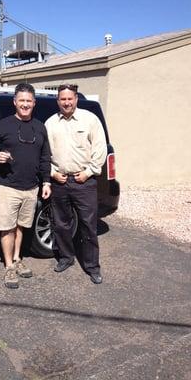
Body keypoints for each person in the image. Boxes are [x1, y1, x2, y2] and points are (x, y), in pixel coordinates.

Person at [0, 83, 51, 289]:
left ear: (34, 103)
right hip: (7, 186)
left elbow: (44, 157)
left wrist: (47, 181)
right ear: (15, 102)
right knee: (7, 228)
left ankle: (16, 259)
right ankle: (8, 267)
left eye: (28, 101)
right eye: (21, 100)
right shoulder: (2, 126)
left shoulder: (40, 127)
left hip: (31, 187)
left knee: (21, 226)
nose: (25, 104)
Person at [45, 84, 107, 284]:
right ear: (58, 101)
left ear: (76, 99)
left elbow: (100, 150)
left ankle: (92, 267)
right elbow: (44, 154)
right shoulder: (50, 123)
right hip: (59, 182)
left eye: (70, 98)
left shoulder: (90, 120)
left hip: (84, 182)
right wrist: (53, 173)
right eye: (62, 99)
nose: (66, 102)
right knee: (61, 224)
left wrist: (88, 172)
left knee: (88, 226)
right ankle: (66, 258)